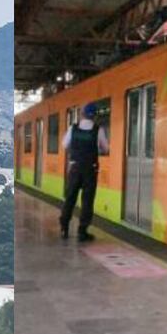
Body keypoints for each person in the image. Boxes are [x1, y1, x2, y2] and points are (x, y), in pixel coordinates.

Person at [60, 102, 109, 241]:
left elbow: (64, 145)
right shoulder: (98, 130)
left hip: (75, 167)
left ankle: (64, 228)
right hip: (90, 169)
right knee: (87, 201)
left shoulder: (73, 128)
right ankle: (82, 232)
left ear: (82, 114)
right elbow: (105, 148)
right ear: (94, 117)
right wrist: (96, 149)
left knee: (70, 198)